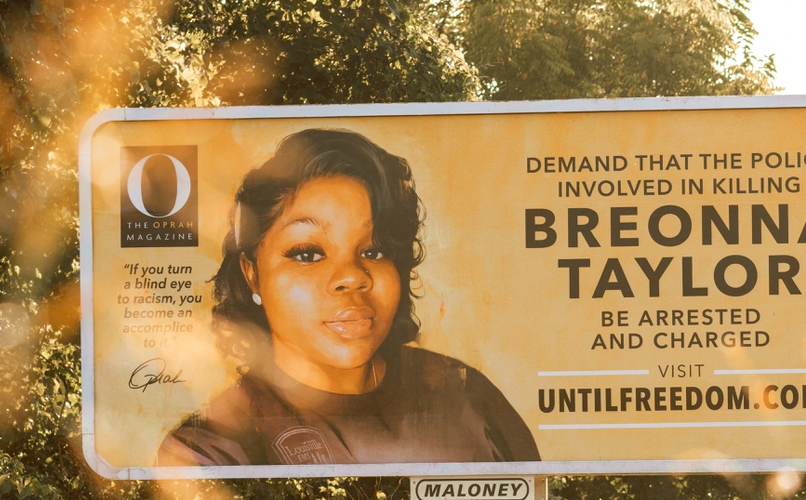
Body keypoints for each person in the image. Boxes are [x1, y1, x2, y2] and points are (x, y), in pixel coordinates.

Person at [159, 129, 539, 467]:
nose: (353, 276)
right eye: (307, 253)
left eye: (375, 250)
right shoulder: (210, 450)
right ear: (252, 275)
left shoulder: (463, 394)